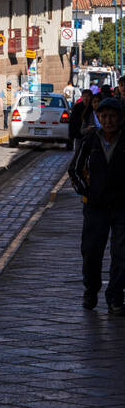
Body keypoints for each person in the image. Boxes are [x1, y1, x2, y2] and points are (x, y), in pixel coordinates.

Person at [68, 98, 125, 314]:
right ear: (99, 118)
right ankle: (91, 290)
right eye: (104, 117)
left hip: (121, 207)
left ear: (119, 118)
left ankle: (115, 297)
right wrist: (86, 192)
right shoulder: (90, 141)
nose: (108, 120)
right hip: (95, 207)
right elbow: (74, 170)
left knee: (121, 253)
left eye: (112, 116)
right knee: (91, 252)